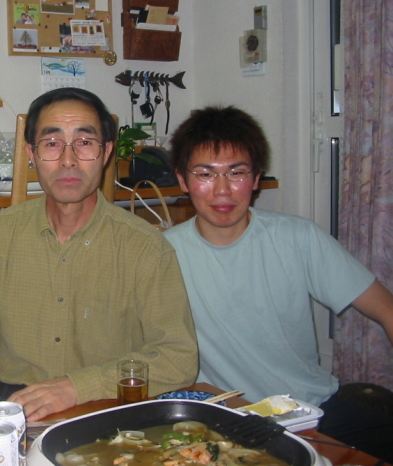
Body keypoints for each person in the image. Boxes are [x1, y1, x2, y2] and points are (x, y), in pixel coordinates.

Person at [0, 87, 198, 421]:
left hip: (105, 408)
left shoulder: (145, 247)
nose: (68, 160)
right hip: (10, 405)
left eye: (84, 142)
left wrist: (76, 387)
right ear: (31, 153)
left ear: (106, 153)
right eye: (52, 143)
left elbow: (177, 358)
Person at [163, 105, 393, 459]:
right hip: (227, 420)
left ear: (256, 178)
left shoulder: (298, 237)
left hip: (311, 410)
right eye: (205, 174)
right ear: (182, 180)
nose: (222, 190)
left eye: (237, 172)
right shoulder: (163, 255)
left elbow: (387, 309)